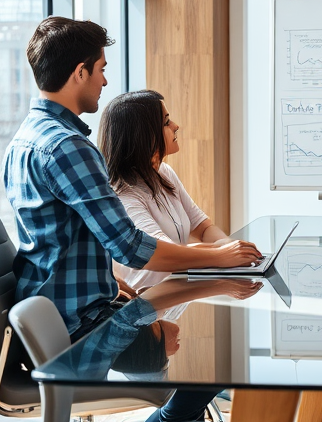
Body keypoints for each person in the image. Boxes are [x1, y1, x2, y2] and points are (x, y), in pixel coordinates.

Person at [3, 16, 263, 422]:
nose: (104, 80)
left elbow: (67, 242)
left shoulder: (26, 138)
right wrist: (219, 259)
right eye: (100, 69)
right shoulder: (68, 147)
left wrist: (122, 288)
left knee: (198, 338)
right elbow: (130, 245)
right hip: (76, 331)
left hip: (64, 314)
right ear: (79, 72)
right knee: (211, 356)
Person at [98, 89, 231, 292]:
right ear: (144, 135)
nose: (176, 126)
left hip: (175, 296)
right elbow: (164, 253)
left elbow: (203, 228)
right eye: (166, 122)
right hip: (147, 307)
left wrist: (231, 250)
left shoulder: (164, 172)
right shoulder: (123, 194)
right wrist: (224, 253)